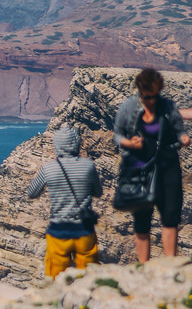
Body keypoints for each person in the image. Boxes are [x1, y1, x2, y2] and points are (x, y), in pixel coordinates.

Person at [114, 67, 191, 262]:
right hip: (140, 167)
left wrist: (183, 137)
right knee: (142, 217)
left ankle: (170, 264)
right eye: (146, 97)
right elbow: (118, 135)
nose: (150, 101)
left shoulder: (167, 106)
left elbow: (178, 128)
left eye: (154, 97)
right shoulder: (129, 106)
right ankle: (143, 266)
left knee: (170, 214)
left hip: (168, 165)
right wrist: (129, 143)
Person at [28, 126, 104, 278]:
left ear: (57, 145)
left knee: (57, 277)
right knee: (88, 277)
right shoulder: (88, 166)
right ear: (76, 144)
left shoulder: (48, 168)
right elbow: (98, 192)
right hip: (84, 230)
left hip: (58, 232)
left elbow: (32, 193)